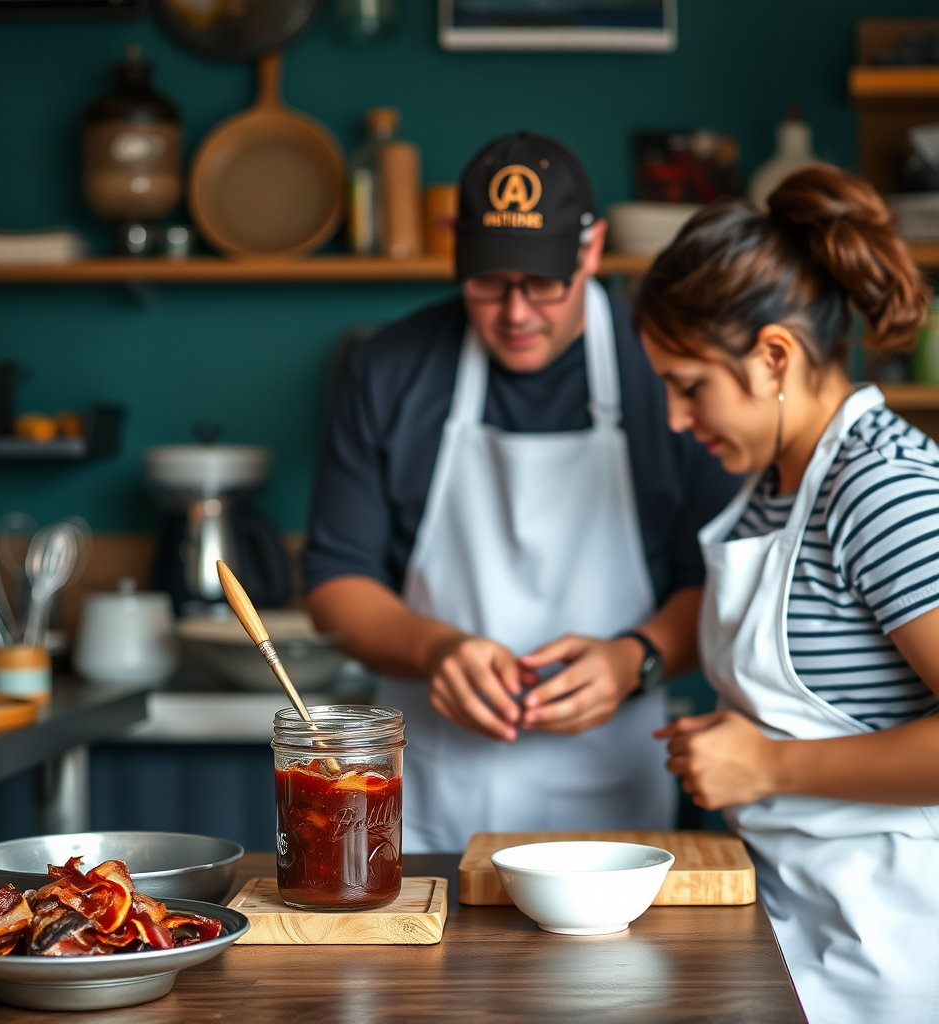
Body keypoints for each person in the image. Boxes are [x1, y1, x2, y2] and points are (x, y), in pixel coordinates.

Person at [303, 131, 738, 853]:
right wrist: (436, 648)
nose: (515, 313)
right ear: (454, 250)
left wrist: (636, 657)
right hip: (432, 806)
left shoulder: (664, 366)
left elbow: (722, 581)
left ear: (591, 251)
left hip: (614, 804)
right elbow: (334, 581)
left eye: (543, 284)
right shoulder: (389, 368)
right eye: (488, 283)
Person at [636, 165, 939, 1024]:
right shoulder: (780, 479)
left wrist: (768, 763)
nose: (675, 418)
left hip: (894, 965)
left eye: (689, 384)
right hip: (797, 936)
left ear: (774, 356)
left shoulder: (881, 489)